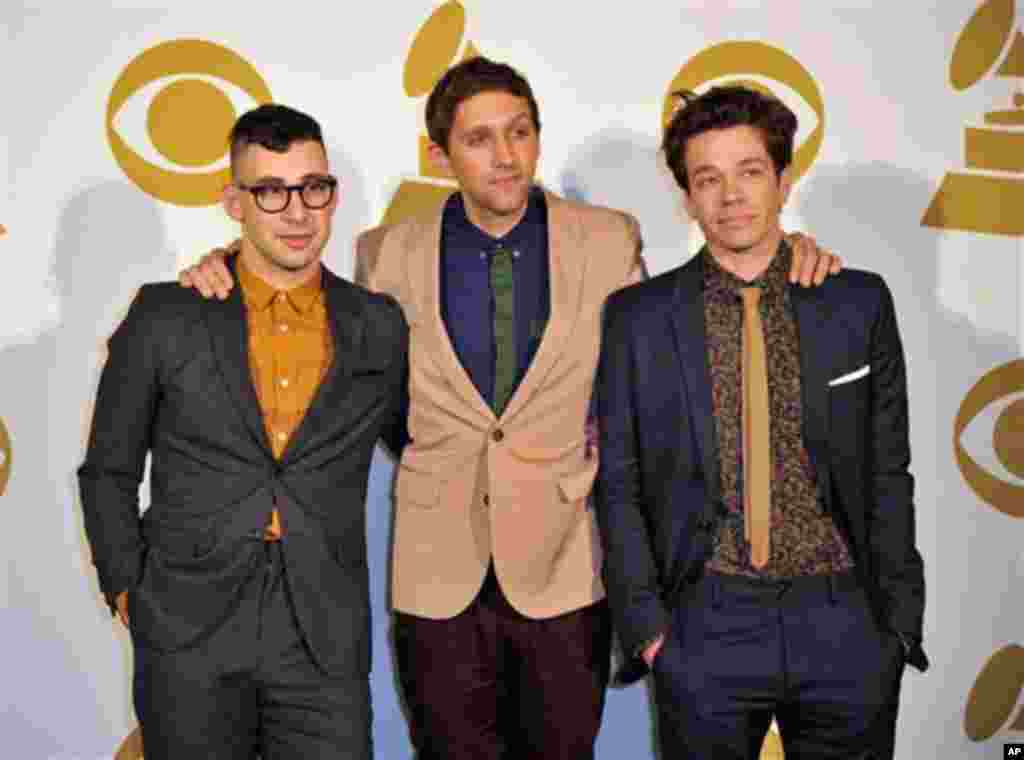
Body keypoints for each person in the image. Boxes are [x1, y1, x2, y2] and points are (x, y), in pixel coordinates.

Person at [179, 58, 839, 759]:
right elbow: (338, 346)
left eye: (519, 132)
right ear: (440, 155)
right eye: (479, 139)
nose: (504, 155)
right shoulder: (386, 254)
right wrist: (223, 262)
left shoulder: (608, 239)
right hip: (437, 574)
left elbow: (678, 329)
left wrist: (791, 252)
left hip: (566, 566)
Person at [594, 85, 927, 759]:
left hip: (844, 616)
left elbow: (888, 470)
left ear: (783, 179)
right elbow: (619, 481)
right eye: (707, 179)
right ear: (687, 197)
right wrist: (650, 630)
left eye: (749, 171)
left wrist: (895, 623)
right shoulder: (639, 317)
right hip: (706, 618)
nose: (731, 196)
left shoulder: (855, 302)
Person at [78, 104, 408, 760]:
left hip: (321, 633)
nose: (297, 212)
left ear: (333, 194)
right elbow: (109, 470)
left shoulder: (377, 323)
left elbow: (424, 442)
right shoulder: (168, 314)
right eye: (271, 191)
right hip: (188, 629)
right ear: (235, 203)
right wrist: (128, 590)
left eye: (313, 188)